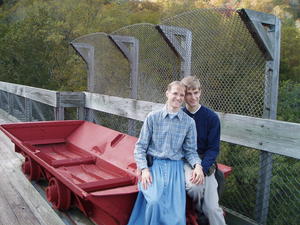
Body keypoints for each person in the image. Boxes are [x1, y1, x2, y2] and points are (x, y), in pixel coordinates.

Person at [127, 81, 204, 225]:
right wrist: (144, 169)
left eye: (182, 95)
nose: (178, 98)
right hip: (154, 166)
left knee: (176, 216)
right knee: (155, 202)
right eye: (175, 93)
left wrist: (197, 166)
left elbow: (190, 151)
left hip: (175, 168)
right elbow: (140, 147)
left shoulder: (188, 123)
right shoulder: (153, 117)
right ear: (167, 93)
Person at [181, 76, 226, 225]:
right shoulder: (179, 115)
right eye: (189, 93)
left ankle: (206, 213)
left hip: (206, 162)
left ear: (200, 92)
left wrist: (202, 168)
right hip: (186, 160)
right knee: (195, 188)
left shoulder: (211, 117)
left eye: (196, 92)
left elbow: (213, 149)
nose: (193, 97)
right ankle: (200, 213)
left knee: (213, 208)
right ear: (183, 95)